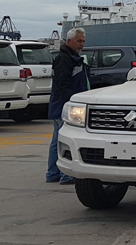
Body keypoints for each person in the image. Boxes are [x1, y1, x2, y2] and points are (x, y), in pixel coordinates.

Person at [46, 27, 89, 184]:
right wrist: (70, 105)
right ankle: (65, 175)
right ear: (69, 41)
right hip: (64, 107)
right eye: (79, 41)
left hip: (62, 105)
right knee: (62, 140)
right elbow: (63, 85)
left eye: (83, 41)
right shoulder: (65, 59)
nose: (82, 44)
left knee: (57, 140)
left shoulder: (73, 58)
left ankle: (53, 174)